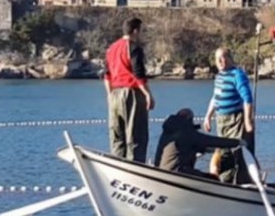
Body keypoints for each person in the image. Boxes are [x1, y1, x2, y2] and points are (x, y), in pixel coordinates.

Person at [103, 17, 155, 162]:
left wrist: (109, 95)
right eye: (141, 31)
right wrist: (148, 95)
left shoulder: (111, 49)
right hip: (130, 93)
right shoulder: (133, 48)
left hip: (114, 93)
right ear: (136, 31)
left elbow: (106, 75)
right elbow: (139, 74)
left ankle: (117, 168)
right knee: (136, 137)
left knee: (117, 137)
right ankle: (135, 168)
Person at [203, 47, 254, 183]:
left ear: (230, 59)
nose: (220, 61)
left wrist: (248, 121)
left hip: (235, 119)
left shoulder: (237, 74)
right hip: (221, 120)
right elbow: (215, 97)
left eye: (223, 57)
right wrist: (208, 116)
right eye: (217, 58)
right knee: (223, 150)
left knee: (236, 151)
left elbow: (247, 98)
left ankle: (239, 181)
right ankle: (223, 179)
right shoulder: (219, 76)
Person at [154, 108, 241, 176]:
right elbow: (210, 141)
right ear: (189, 120)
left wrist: (199, 127)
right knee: (212, 179)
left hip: (163, 171)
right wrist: (237, 142)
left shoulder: (168, 132)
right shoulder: (187, 133)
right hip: (179, 173)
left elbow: (190, 144)